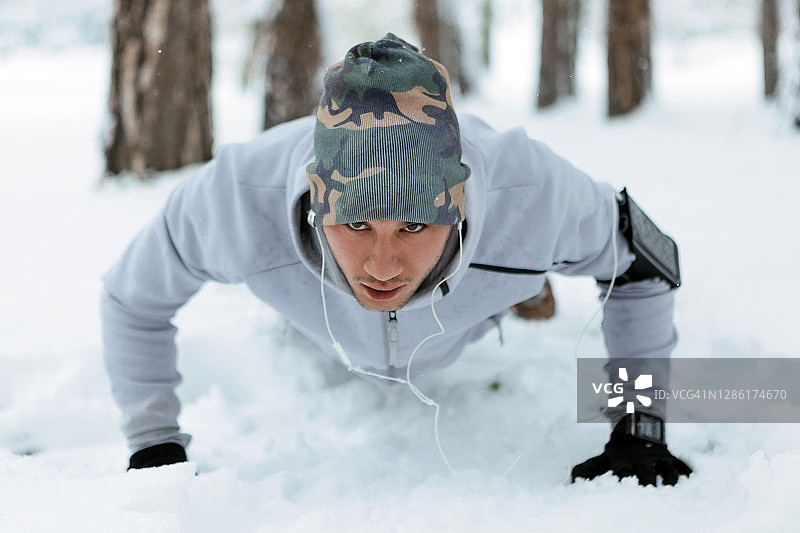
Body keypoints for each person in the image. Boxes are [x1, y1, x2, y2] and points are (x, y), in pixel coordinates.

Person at [101, 34, 691, 486]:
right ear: (316, 201)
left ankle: (519, 288)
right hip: (318, 317)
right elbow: (132, 299)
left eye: (413, 226)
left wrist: (638, 428)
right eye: (356, 224)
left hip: (478, 291)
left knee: (513, 269)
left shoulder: (532, 193)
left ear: (458, 205)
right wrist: (153, 441)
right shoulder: (234, 197)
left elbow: (642, 266)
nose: (383, 264)